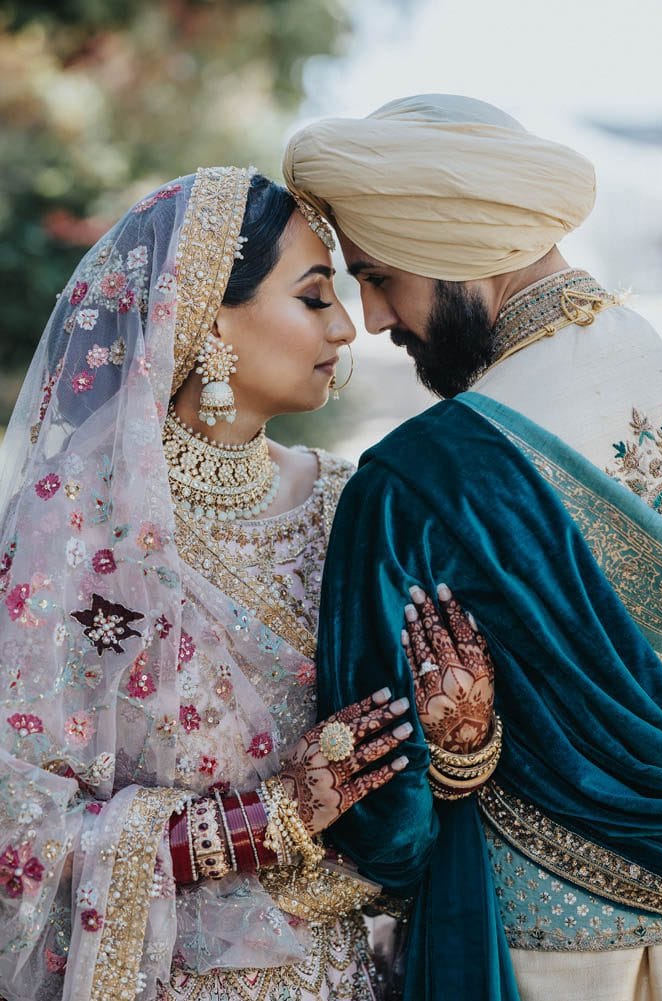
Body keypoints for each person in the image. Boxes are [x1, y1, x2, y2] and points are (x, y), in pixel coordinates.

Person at [0, 165, 435, 1001]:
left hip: (354, 972)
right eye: (314, 297)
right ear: (198, 314)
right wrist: (256, 822)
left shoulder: (354, 504)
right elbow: (21, 830)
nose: (348, 328)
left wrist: (458, 736)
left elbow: (408, 765)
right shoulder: (81, 518)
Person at [283, 95, 662, 1000]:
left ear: (452, 247)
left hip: (543, 953)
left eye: (376, 274)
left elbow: (384, 823)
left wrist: (457, 756)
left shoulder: (417, 481)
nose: (373, 318)